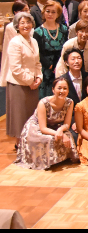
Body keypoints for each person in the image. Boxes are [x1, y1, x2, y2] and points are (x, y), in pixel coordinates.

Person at [14, 77, 79, 169]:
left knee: (68, 135)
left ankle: (61, 159)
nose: (62, 91)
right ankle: (47, 161)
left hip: (54, 126)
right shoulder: (43, 103)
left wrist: (60, 130)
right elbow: (43, 128)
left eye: (65, 88)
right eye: (59, 88)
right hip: (36, 128)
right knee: (50, 138)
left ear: (68, 91)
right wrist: (59, 134)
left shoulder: (70, 102)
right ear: (53, 89)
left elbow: (67, 124)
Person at [5, 12, 43, 146]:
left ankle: (29, 143)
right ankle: (19, 145)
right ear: (17, 25)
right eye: (22, 23)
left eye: (28, 22)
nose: (26, 25)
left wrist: (39, 78)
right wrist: (30, 81)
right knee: (20, 117)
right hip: (19, 85)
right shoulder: (15, 42)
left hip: (33, 84)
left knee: (30, 115)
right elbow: (15, 68)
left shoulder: (34, 41)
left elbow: (37, 63)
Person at [33, 0, 68, 98]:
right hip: (45, 68)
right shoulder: (38, 32)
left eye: (53, 12)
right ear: (43, 12)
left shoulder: (64, 29)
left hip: (61, 66)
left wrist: (59, 65)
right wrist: (50, 66)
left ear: (58, 14)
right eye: (48, 11)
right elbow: (38, 52)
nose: (50, 14)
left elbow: (66, 49)